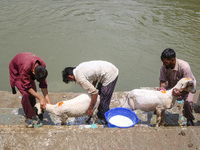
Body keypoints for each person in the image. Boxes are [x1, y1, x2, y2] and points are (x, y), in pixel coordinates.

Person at [9, 52, 51, 128]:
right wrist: (40, 98)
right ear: (33, 72)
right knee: (25, 94)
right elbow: (27, 87)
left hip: (27, 64)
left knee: (33, 90)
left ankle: (32, 108)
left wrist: (49, 103)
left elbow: (43, 84)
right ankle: (29, 117)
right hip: (18, 71)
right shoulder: (25, 68)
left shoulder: (42, 66)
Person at [158, 48, 196, 126]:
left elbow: (188, 84)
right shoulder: (164, 67)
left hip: (188, 87)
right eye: (163, 62)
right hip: (173, 85)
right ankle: (159, 113)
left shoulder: (184, 67)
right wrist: (162, 89)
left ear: (172, 60)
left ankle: (189, 118)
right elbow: (162, 81)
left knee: (188, 102)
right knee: (160, 96)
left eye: (165, 62)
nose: (164, 64)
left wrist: (180, 92)